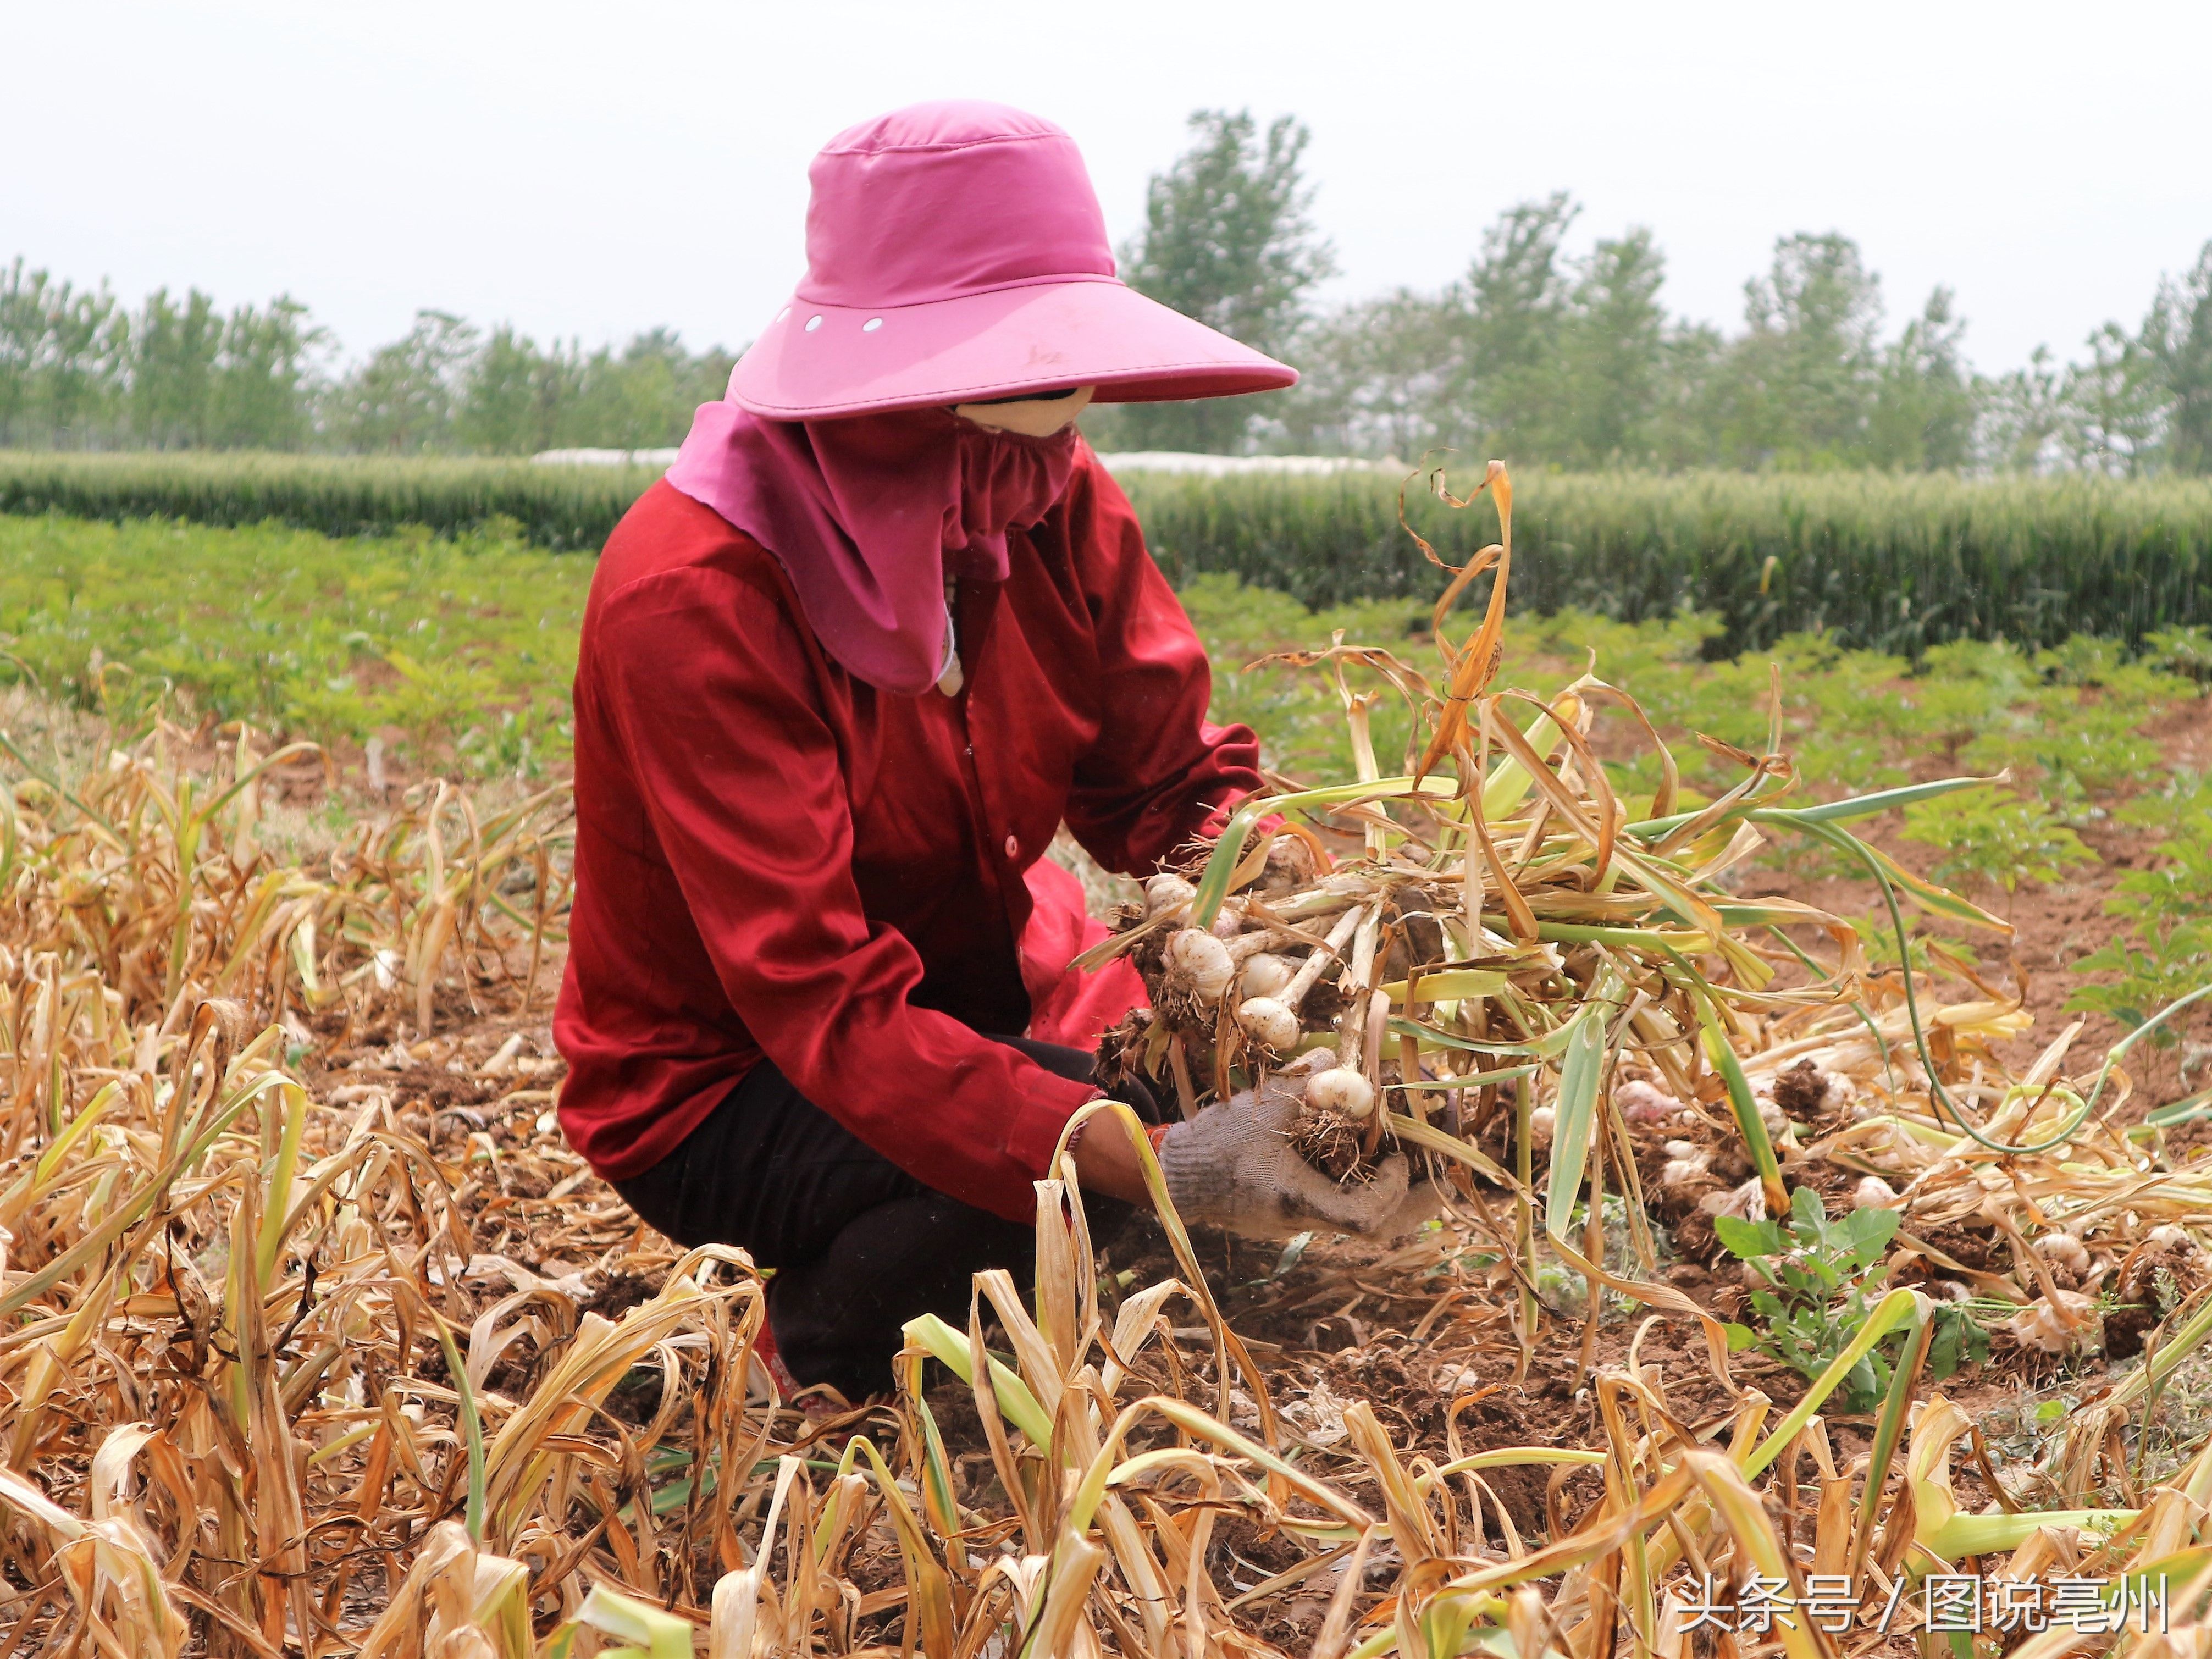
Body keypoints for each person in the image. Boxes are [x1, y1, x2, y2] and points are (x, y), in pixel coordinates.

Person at [554, 101, 1426, 1403]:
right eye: (1017, 377)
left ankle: (1051, 1230)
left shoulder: (1045, 492)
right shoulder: (696, 594)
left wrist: (1336, 940)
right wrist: (1152, 1159)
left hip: (982, 995)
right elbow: (821, 1003)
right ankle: (818, 1357)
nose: (1058, 426)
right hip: (730, 1079)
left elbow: (1171, 788)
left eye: (1064, 372)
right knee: (1065, 1192)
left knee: (1211, 1128)